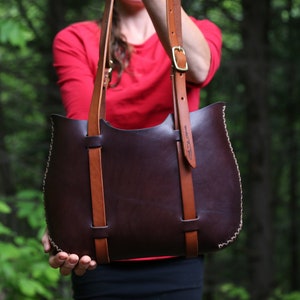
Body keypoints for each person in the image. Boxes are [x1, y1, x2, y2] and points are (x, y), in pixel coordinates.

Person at [42, 0, 222, 299]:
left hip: (179, 239)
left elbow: (200, 69)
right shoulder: (77, 40)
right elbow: (82, 134)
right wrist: (65, 214)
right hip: (102, 242)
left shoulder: (199, 32)